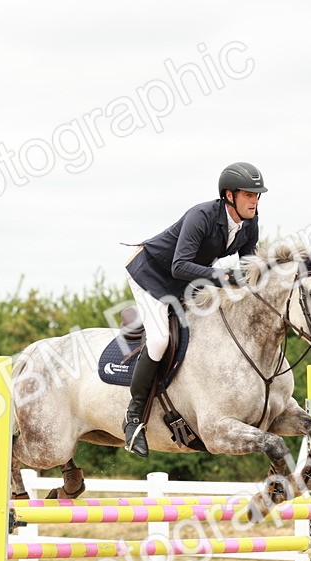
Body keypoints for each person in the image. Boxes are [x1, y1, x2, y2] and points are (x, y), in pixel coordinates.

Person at [121, 161, 266, 457]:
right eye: (249, 195)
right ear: (229, 195)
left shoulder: (250, 222)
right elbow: (178, 265)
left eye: (257, 195)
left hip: (189, 278)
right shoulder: (201, 216)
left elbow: (247, 268)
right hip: (151, 274)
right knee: (161, 339)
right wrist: (222, 277)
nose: (255, 200)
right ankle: (133, 418)